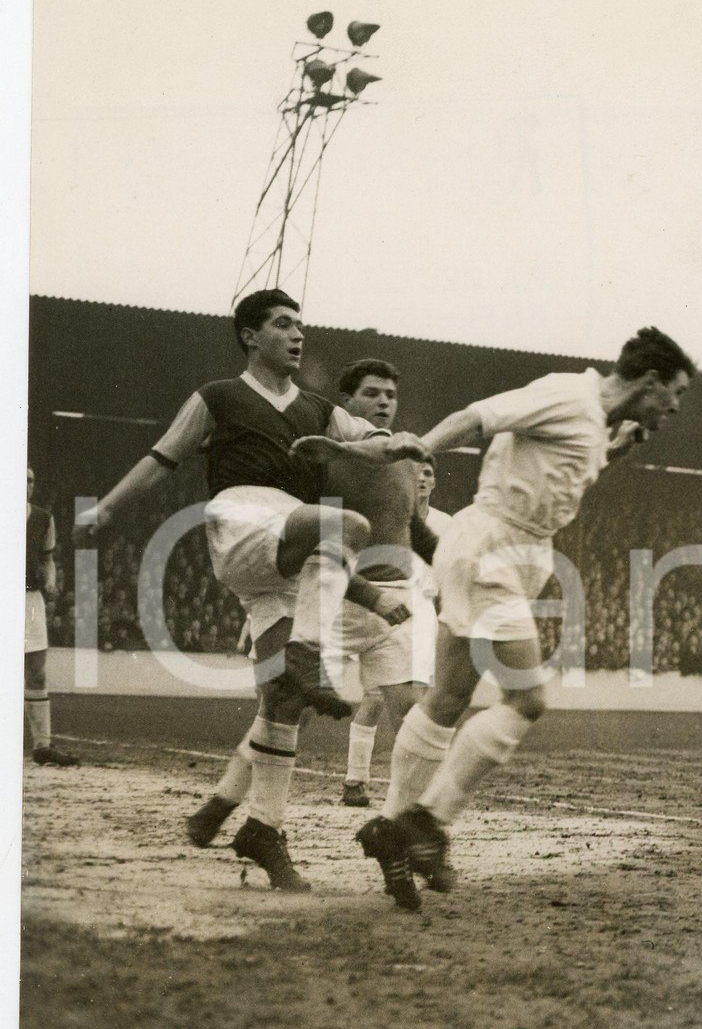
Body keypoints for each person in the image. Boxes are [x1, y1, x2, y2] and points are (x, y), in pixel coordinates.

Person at [76, 290, 425, 891]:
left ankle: (263, 827)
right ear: (249, 335)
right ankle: (308, 654)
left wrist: (383, 444)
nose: (298, 335)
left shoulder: (318, 409)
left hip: (284, 557)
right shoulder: (219, 396)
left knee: (283, 701)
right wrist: (106, 508)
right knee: (348, 526)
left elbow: (379, 444)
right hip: (242, 516)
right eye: (283, 324)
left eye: (301, 325)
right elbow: (162, 458)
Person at [361, 326, 695, 911]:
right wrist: (419, 447)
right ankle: (429, 821)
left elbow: (564, 471)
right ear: (650, 381)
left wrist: (618, 448)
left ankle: (391, 830)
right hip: (491, 547)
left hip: (514, 552)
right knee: (528, 699)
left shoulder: (596, 422)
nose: (675, 407)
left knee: (446, 699)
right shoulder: (569, 394)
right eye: (677, 392)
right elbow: (479, 416)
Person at [338, 379, 453, 808]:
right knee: (369, 699)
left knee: (409, 702)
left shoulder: (444, 522)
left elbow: (442, 563)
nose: (422, 478)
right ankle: (356, 780)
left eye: (429, 474)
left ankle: (411, 800)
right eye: (418, 471)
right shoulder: (376, 497)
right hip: (364, 596)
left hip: (415, 610)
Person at [25, 466, 79, 767]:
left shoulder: (43, 518)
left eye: (31, 480)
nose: (27, 485)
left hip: (29, 597)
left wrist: (51, 579)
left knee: (37, 672)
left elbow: (47, 559)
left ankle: (42, 746)